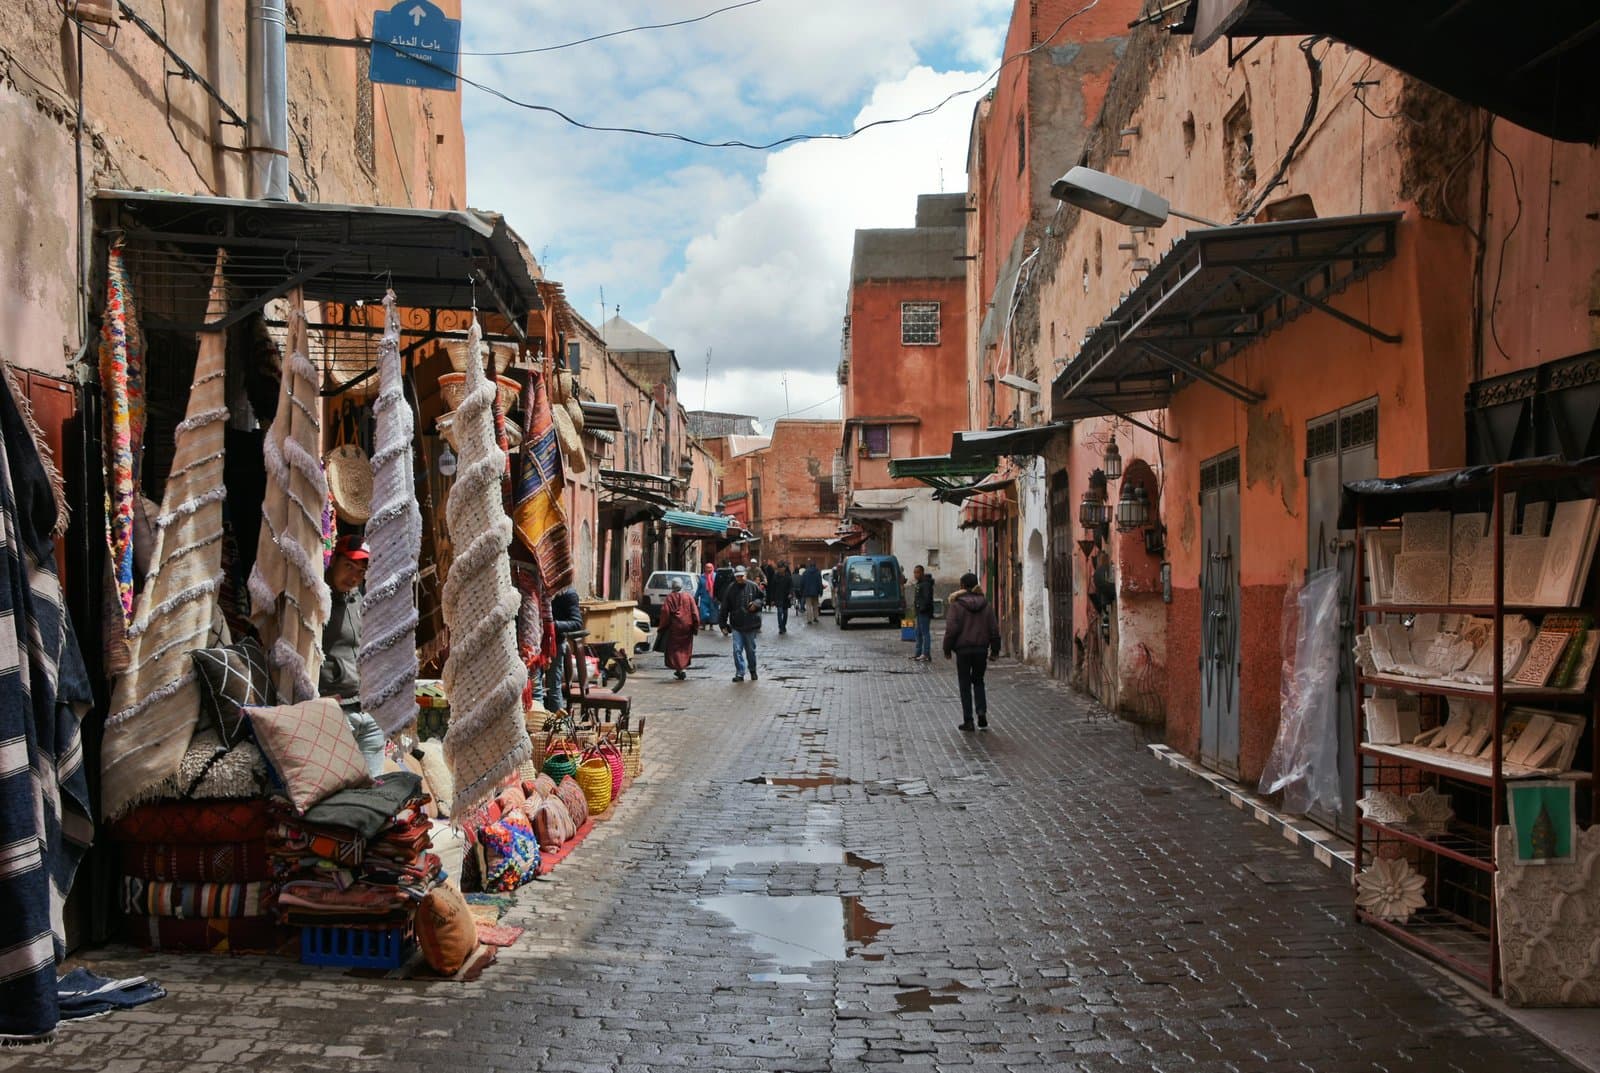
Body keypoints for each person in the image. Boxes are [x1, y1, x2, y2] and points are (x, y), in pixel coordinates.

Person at [319, 535, 384, 775]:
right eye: (348, 566)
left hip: (367, 709)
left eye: (361, 571)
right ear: (334, 560)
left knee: (372, 788)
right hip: (335, 711)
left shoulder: (360, 600)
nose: (354, 577)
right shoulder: (316, 601)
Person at [943, 571, 1001, 732]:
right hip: (981, 649)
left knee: (964, 684)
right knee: (978, 681)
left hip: (963, 650)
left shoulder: (956, 606)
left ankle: (968, 720)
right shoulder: (986, 605)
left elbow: (951, 630)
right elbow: (994, 629)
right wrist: (995, 650)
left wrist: (947, 649)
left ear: (962, 586)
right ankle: (981, 712)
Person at [719, 564, 765, 682]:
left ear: (745, 575)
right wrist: (723, 624)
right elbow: (724, 607)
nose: (740, 578)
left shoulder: (753, 586)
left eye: (741, 576)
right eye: (737, 577)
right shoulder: (730, 589)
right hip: (736, 625)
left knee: (750, 650)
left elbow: (762, 598)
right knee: (737, 649)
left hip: (751, 624)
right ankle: (740, 672)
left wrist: (756, 604)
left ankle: (753, 670)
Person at [544, 585, 584, 711]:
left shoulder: (568, 593)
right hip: (535, 643)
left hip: (555, 644)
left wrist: (553, 625)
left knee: (553, 687)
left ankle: (557, 725)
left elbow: (577, 623)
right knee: (536, 688)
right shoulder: (541, 590)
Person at [659, 577, 699, 680]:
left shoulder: (669, 598)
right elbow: (695, 612)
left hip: (674, 628)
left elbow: (665, 613)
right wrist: (695, 626)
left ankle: (679, 669)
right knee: (685, 648)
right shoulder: (688, 597)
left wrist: (662, 626)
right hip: (687, 627)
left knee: (674, 649)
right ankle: (682, 669)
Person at [910, 564, 935, 662]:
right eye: (914, 572)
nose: (915, 574)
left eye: (917, 572)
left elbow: (926, 599)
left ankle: (926, 654)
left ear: (922, 573)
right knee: (918, 633)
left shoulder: (926, 584)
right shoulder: (920, 583)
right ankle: (918, 653)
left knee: (925, 633)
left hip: (924, 612)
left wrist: (921, 608)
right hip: (920, 612)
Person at [770, 561, 794, 634]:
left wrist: (790, 593)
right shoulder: (775, 577)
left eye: (782, 568)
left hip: (786, 598)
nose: (780, 569)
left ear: (784, 568)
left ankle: (783, 625)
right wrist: (772, 599)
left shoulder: (788, 577)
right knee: (779, 612)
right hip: (778, 597)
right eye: (779, 568)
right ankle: (780, 627)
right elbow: (772, 589)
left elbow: (791, 587)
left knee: (785, 613)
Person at [695, 565, 718, 629]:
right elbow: (699, 587)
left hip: (713, 597)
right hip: (704, 597)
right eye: (707, 567)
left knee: (712, 612)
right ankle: (703, 625)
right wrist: (696, 596)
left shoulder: (715, 576)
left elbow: (718, 587)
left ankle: (711, 626)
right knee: (703, 612)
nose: (709, 569)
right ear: (705, 568)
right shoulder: (702, 577)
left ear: (712, 568)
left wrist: (719, 596)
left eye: (710, 567)